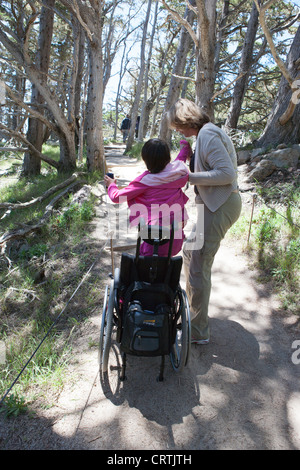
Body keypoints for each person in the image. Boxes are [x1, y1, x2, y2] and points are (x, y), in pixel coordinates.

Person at [166, 98, 242, 345]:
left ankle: (198, 331)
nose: (178, 131)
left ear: (187, 120)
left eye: (178, 126)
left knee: (199, 264)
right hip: (213, 205)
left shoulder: (208, 135)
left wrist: (189, 177)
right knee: (190, 252)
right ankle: (193, 311)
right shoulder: (206, 134)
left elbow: (227, 173)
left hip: (219, 206)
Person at [104, 138, 192, 257]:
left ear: (145, 160)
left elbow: (116, 197)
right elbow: (180, 159)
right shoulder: (177, 173)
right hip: (176, 241)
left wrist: (111, 185)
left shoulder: (145, 182)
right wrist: (184, 145)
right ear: (168, 158)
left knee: (144, 263)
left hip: (154, 242)